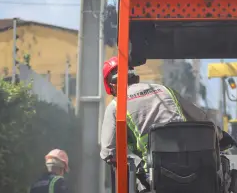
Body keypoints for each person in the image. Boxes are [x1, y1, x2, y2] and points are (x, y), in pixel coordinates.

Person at [98, 56, 230, 165]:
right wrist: (221, 136)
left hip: (155, 178)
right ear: (134, 75)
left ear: (112, 85)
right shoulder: (165, 90)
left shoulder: (115, 106)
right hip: (196, 167)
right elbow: (201, 118)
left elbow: (108, 153)